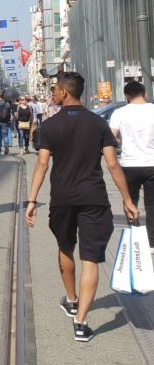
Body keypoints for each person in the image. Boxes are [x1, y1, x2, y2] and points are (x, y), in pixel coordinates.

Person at [25, 72, 139, 342]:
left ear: (64, 92)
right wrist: (127, 199)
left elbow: (42, 164)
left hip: (62, 199)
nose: (52, 93)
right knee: (91, 259)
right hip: (94, 199)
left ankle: (72, 299)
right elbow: (112, 164)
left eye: (55, 89)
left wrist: (32, 200)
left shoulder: (50, 126)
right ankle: (81, 321)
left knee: (65, 247)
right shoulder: (98, 123)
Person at [108, 80, 154, 252]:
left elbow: (111, 138)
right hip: (152, 163)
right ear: (145, 94)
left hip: (129, 164)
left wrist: (122, 141)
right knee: (152, 205)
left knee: (130, 200)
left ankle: (134, 234)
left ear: (126, 96)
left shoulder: (119, 113)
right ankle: (152, 243)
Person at [0, 91, 14, 156]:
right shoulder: (7, 104)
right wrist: (9, 120)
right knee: (5, 135)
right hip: (5, 122)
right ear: (3, 96)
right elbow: (9, 113)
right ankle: (6, 146)